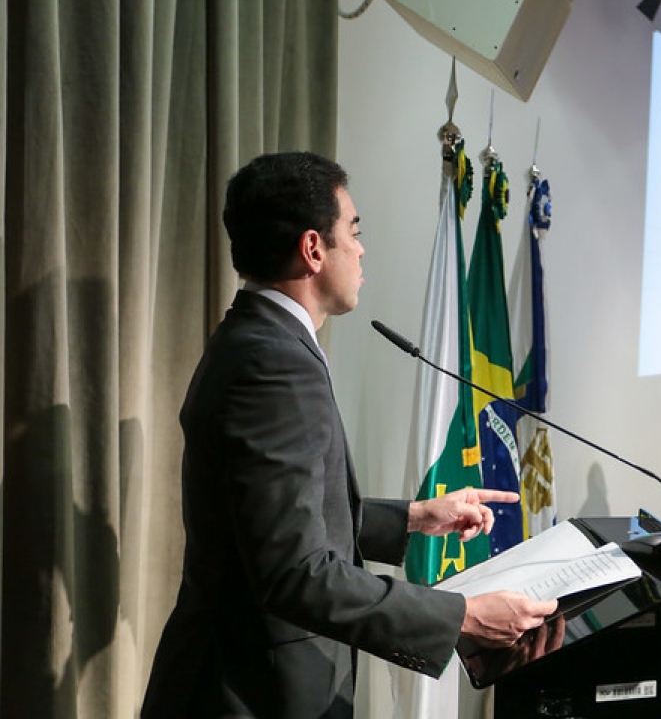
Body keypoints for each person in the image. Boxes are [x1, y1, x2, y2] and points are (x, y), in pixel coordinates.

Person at [141, 153, 556, 718]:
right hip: (251, 693)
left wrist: (414, 516)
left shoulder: (255, 339)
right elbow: (295, 571)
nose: (361, 250)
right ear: (314, 249)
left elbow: (278, 522)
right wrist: (461, 615)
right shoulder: (274, 363)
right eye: (353, 233)